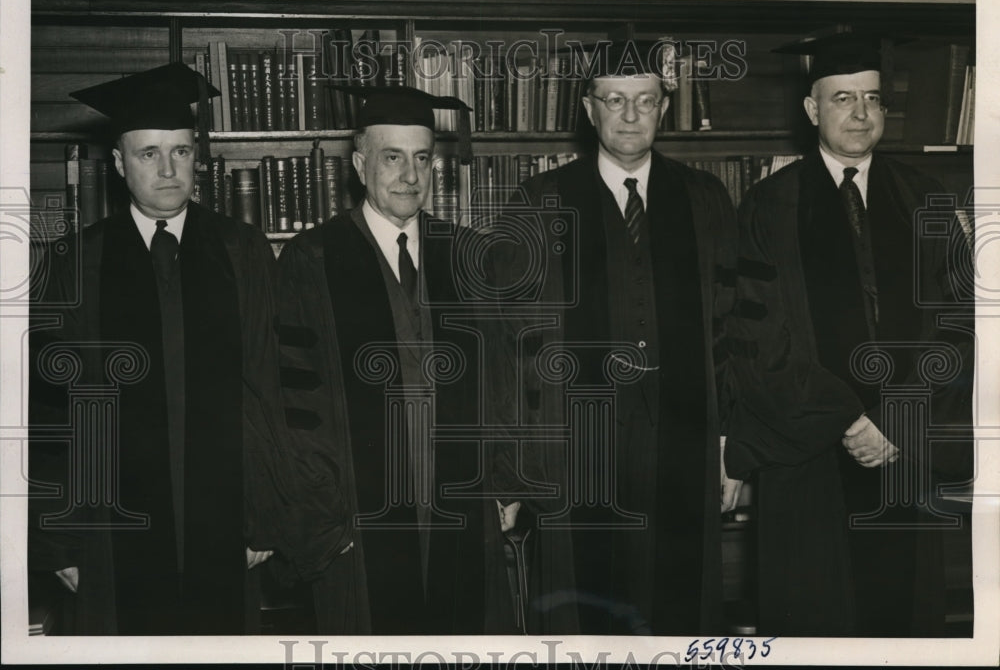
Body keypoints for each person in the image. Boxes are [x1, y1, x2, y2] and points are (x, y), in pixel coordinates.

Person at [28, 63, 299, 635]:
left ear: (196, 157)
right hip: (108, 527)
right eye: (149, 153)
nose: (168, 168)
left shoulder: (241, 250)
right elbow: (51, 412)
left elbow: (266, 387)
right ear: (119, 162)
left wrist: (264, 519)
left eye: (180, 150)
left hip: (226, 520)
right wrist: (60, 541)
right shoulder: (75, 261)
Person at [724, 33, 974, 636]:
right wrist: (848, 419)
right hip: (811, 453)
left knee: (902, 624)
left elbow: (960, 324)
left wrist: (895, 422)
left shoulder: (926, 198)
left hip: (905, 453)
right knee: (817, 617)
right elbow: (755, 338)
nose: (860, 114)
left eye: (872, 99)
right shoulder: (767, 207)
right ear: (813, 110)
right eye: (843, 98)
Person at [488, 41, 742, 635]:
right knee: (587, 613)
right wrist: (519, 470)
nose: (630, 116)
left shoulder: (705, 199)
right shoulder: (540, 203)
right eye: (615, 100)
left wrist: (733, 445)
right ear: (588, 108)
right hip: (578, 451)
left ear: (664, 107)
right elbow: (510, 346)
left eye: (646, 101)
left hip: (688, 439)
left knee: (677, 611)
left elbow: (731, 327)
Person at [274, 85, 510, 634]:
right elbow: (293, 404)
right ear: (360, 164)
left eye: (423, 158)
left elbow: (501, 383)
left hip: (463, 510)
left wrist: (507, 483)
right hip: (357, 518)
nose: (410, 174)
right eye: (393, 157)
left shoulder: (469, 255)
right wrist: (325, 517)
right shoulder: (313, 260)